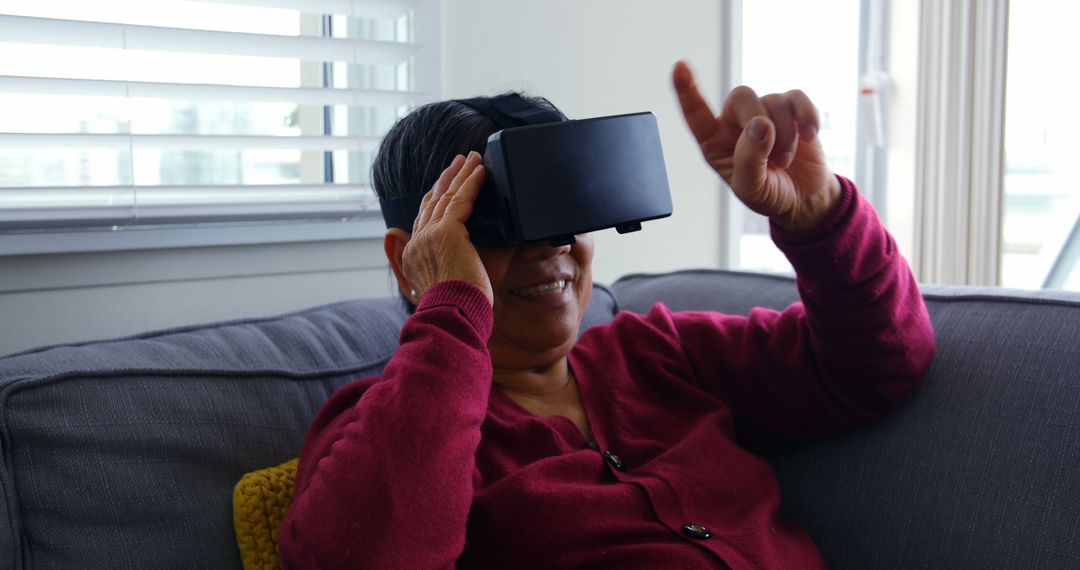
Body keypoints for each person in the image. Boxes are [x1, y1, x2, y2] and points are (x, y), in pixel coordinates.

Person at [278, 60, 935, 569]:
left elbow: (876, 367)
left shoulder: (659, 356)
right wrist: (453, 311)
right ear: (413, 257)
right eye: (498, 221)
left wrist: (818, 219)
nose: (550, 245)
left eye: (564, 203)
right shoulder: (386, 424)